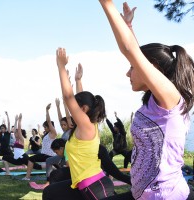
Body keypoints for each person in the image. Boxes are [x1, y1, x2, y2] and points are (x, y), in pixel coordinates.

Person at [99, 1, 194, 199]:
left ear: (153, 69)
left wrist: (106, 4)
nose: (127, 73)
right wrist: (129, 28)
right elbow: (135, 53)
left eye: (133, 68)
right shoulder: (156, 101)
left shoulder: (170, 100)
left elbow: (131, 51)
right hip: (143, 194)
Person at [42, 48, 114, 199]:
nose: (71, 107)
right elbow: (81, 100)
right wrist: (78, 81)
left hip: (96, 187)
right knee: (50, 193)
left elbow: (69, 97)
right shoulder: (86, 124)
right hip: (85, 185)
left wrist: (61, 67)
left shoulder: (87, 126)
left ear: (83, 109)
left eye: (75, 106)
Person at [22, 103, 57, 181]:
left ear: (49, 127)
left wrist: (47, 110)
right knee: (31, 159)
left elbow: (48, 121)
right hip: (44, 154)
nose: (44, 128)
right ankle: (27, 177)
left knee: (32, 159)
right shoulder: (47, 134)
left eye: (45, 127)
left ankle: (28, 177)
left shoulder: (53, 133)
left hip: (49, 155)